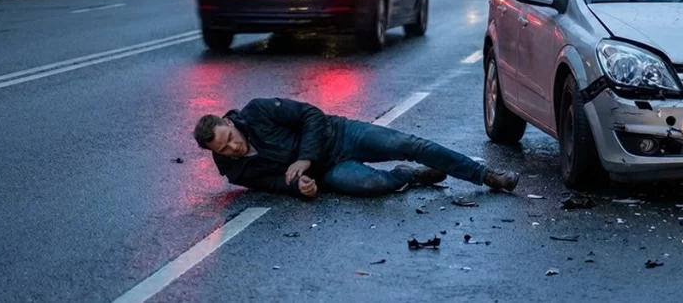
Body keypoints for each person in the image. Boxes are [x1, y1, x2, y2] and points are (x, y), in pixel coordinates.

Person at [193, 97, 521, 198]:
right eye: (224, 149)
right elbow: (271, 183)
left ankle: (485, 175)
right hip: (330, 171)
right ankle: (411, 177)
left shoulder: (258, 111)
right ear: (215, 154)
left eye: (230, 138)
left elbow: (311, 114)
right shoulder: (235, 171)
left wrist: (305, 158)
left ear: (230, 123)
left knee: (407, 143)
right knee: (373, 184)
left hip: (341, 135)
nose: (233, 148)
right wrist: (298, 186)